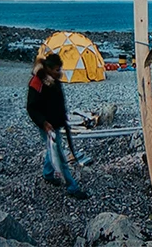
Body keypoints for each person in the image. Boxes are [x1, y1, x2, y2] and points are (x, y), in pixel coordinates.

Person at [27, 53, 90, 200]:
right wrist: (43, 123)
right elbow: (31, 108)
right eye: (56, 69)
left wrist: (62, 118)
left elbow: (57, 101)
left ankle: (48, 174)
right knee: (60, 155)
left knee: (52, 149)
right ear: (48, 68)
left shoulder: (53, 80)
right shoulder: (37, 82)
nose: (59, 72)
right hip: (46, 125)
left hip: (56, 122)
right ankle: (72, 187)